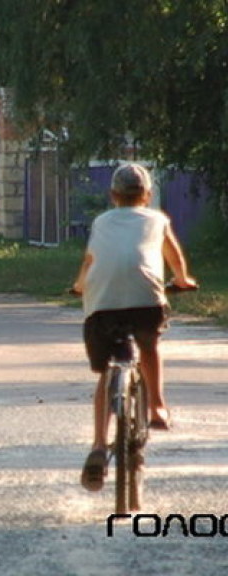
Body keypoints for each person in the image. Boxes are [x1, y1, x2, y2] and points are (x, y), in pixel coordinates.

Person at [72, 162, 198, 492]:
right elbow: (174, 257)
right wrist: (183, 281)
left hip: (103, 304)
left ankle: (99, 444)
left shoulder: (100, 222)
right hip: (146, 299)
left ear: (113, 195)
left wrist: (79, 287)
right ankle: (157, 405)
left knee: (105, 374)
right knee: (149, 346)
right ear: (148, 195)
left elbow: (90, 262)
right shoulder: (157, 220)